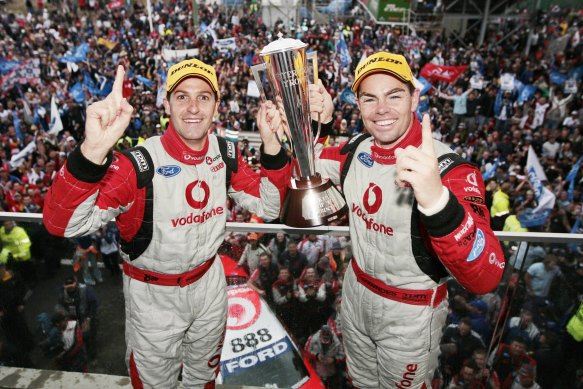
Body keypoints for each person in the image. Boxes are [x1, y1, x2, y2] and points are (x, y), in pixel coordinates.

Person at [42, 58, 290, 388]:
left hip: (209, 287)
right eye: (182, 96)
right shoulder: (136, 165)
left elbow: (269, 205)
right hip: (152, 298)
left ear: (216, 104)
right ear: (166, 103)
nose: (193, 107)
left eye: (204, 97)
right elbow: (62, 224)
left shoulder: (225, 152)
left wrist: (273, 148)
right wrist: (93, 150)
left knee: (204, 378)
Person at [309, 51, 505, 388]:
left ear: (415, 97)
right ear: (358, 104)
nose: (381, 108)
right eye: (370, 98)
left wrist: (436, 200)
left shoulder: (450, 168)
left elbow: (486, 277)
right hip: (356, 294)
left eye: (394, 95)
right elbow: (311, 162)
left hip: (411, 311)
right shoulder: (357, 149)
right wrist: (322, 125)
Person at [55, 276, 99, 360]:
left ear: (76, 283)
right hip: (72, 317)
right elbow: (59, 306)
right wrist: (66, 316)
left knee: (88, 335)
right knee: (73, 335)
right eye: (68, 287)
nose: (70, 288)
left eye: (72, 285)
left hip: (86, 316)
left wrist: (89, 318)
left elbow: (94, 304)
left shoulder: (86, 290)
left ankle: (92, 355)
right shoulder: (62, 293)